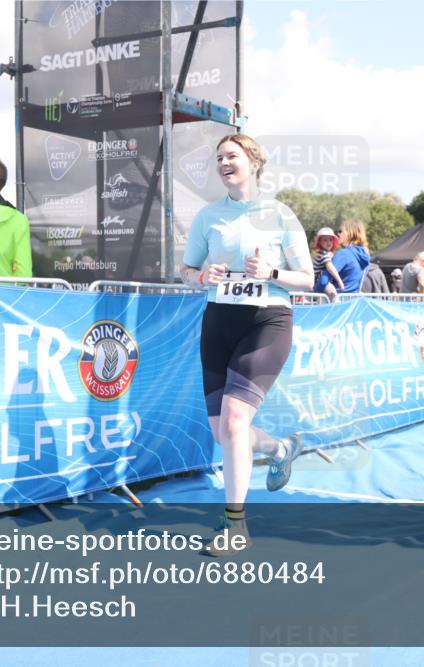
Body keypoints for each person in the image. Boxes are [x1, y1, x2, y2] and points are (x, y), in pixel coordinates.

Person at [179, 134, 313, 553]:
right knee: (224, 432)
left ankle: (235, 526)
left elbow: (307, 278)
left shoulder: (280, 214)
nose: (223, 162)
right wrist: (201, 276)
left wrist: (271, 272)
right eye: (218, 157)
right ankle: (280, 448)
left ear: (253, 161)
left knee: (235, 421)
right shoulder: (208, 216)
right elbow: (185, 270)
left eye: (231, 155)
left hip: (267, 321)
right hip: (219, 320)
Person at [314, 219, 371, 295]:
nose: (338, 234)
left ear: (350, 233)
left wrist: (314, 290)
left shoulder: (343, 254)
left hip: (337, 302)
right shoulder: (365, 256)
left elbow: (324, 281)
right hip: (353, 302)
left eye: (341, 231)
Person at [312, 227, 345, 301]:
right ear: (320, 242)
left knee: (324, 303)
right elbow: (330, 268)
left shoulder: (323, 254)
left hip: (320, 284)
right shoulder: (324, 255)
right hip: (321, 283)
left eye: (330, 240)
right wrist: (340, 281)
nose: (328, 242)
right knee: (334, 297)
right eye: (325, 240)